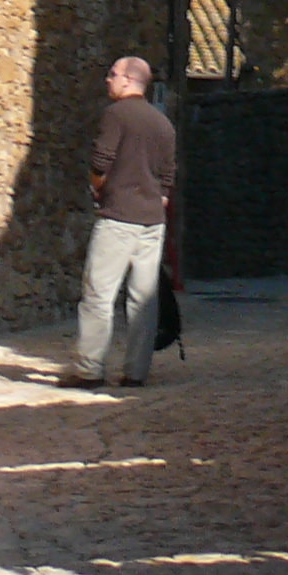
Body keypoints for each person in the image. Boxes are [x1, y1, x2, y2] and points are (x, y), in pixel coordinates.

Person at [71, 56, 175, 388]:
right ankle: (136, 372)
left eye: (113, 74)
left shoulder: (116, 115)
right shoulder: (163, 123)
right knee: (143, 299)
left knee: (98, 295)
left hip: (118, 217)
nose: (108, 79)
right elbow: (167, 177)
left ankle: (89, 370)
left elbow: (100, 161)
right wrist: (158, 199)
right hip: (152, 221)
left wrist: (97, 187)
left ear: (128, 80)